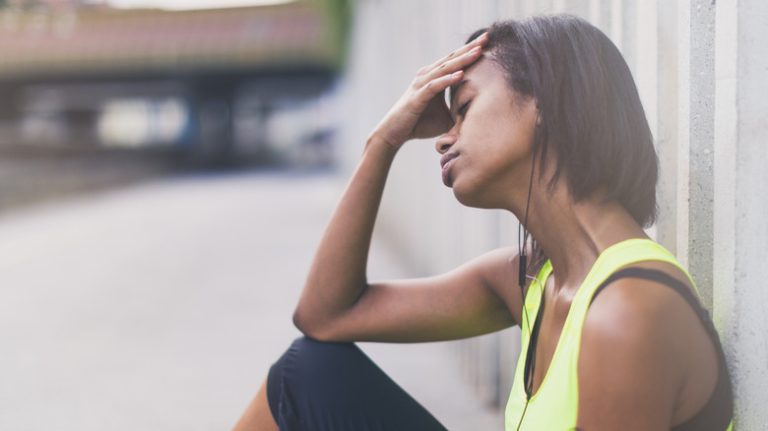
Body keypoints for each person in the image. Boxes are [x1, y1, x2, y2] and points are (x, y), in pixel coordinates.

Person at [233, 14, 734, 431]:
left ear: (544, 100)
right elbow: (326, 316)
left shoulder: (627, 312)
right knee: (308, 375)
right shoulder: (531, 281)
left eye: (464, 109)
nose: (443, 140)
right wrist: (382, 143)